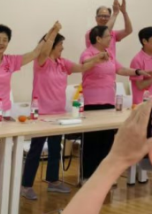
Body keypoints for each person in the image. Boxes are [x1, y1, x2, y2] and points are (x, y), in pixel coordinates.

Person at [0, 20, 59, 205]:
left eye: (4, 40)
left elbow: (35, 53)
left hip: (4, 114)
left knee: (0, 156)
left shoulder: (11, 61)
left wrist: (51, 33)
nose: (1, 43)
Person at [21, 32, 102, 200]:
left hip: (58, 114)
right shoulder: (41, 62)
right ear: (51, 46)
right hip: (41, 114)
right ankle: (26, 185)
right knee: (36, 149)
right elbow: (43, 50)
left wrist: (96, 59)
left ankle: (53, 181)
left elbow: (81, 67)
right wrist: (53, 31)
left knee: (55, 147)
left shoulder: (62, 63)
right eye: (60, 45)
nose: (62, 48)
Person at [77, 25, 144, 182]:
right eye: (108, 36)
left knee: (107, 141)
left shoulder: (110, 53)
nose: (110, 39)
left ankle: (104, 178)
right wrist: (98, 57)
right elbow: (84, 63)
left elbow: (120, 70)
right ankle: (87, 176)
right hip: (93, 103)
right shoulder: (88, 53)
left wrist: (138, 72)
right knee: (92, 141)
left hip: (109, 102)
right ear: (98, 38)